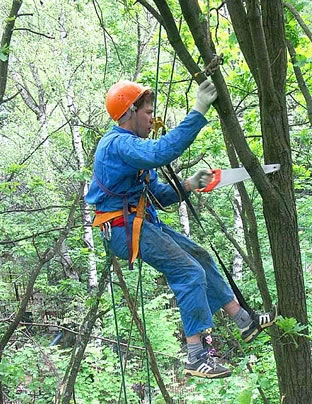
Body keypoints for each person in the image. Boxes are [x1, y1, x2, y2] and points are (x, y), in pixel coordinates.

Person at [86, 79, 277, 379]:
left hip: (141, 221)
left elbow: (159, 196)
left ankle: (243, 320)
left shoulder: (137, 151)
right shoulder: (117, 144)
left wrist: (189, 184)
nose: (153, 119)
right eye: (147, 112)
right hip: (123, 227)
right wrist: (199, 108)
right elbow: (161, 152)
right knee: (189, 272)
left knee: (200, 257)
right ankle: (195, 355)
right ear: (130, 111)